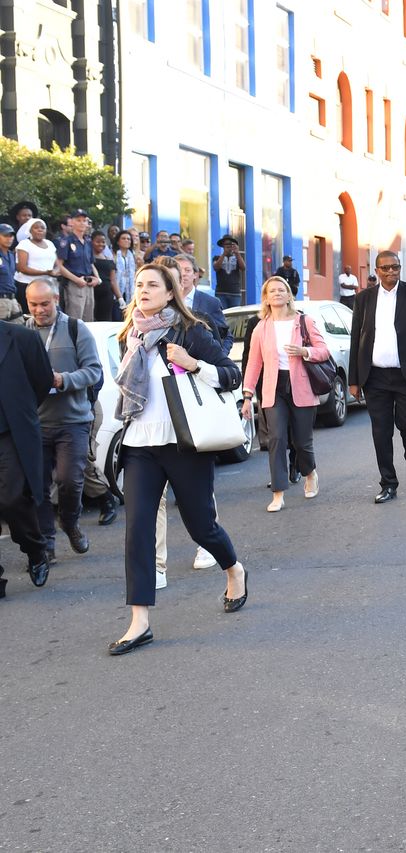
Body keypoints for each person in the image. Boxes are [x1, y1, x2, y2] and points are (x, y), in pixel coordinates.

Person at [108, 262, 248, 655]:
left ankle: (233, 569)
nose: (144, 290)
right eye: (139, 285)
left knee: (201, 526)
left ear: (170, 292)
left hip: (183, 444)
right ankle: (139, 622)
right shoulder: (129, 334)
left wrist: (194, 364)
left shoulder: (191, 331)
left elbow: (230, 376)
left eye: (153, 284)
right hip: (139, 445)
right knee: (137, 530)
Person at [347, 250, 406, 504]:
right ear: (377, 271)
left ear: (400, 269)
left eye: (395, 267)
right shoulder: (364, 299)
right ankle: (388, 483)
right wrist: (354, 379)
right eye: (385, 268)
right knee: (381, 432)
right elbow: (357, 339)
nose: (390, 272)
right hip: (374, 377)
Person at [24, 278, 103, 561]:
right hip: (35, 424)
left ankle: (69, 523)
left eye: (45, 303)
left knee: (70, 481)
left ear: (56, 299)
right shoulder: (23, 332)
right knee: (38, 487)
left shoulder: (75, 328)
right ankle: (46, 543)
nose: (39, 310)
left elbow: (93, 371)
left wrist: (62, 380)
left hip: (73, 421)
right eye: (33, 304)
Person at [242, 276, 329, 511]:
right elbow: (253, 363)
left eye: (282, 290)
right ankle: (278, 493)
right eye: (272, 291)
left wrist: (304, 351)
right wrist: (248, 395)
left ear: (289, 295)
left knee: (302, 442)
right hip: (273, 388)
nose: (277, 294)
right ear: (266, 298)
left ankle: (309, 472)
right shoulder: (261, 327)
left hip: (300, 385)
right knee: (276, 439)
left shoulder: (304, 321)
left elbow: (323, 351)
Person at [0, 319, 54, 597]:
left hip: (11, 431)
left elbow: (42, 381)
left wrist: (20, 408)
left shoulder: (21, 338)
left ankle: (35, 549)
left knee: (12, 498)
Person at [56, 209, 99, 322]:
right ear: (72, 222)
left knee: (89, 318)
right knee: (75, 319)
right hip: (74, 284)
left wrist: (97, 278)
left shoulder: (88, 241)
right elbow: (59, 266)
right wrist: (76, 280)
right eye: (78, 220)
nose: (82, 223)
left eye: (84, 220)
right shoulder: (66, 241)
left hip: (88, 283)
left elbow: (91, 263)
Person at [16, 219, 62, 316]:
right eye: (36, 227)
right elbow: (22, 268)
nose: (40, 230)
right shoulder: (24, 244)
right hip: (27, 285)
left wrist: (56, 271)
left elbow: (57, 264)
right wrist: (45, 272)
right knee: (31, 315)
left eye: (42, 228)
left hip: (48, 286)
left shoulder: (50, 244)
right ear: (30, 231)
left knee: (52, 314)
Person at [91, 230, 121, 321]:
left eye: (103, 242)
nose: (101, 244)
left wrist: (120, 297)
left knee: (106, 320)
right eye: (98, 241)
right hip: (92, 293)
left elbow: (113, 281)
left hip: (106, 295)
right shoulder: (88, 258)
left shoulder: (109, 259)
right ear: (91, 242)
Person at [212, 235, 246, 309]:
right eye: (226, 245)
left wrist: (237, 253)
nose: (228, 247)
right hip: (221, 292)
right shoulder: (217, 258)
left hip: (235, 293)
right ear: (223, 246)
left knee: (234, 317)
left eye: (230, 245)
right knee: (222, 314)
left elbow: (243, 267)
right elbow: (216, 268)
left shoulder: (238, 258)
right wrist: (224, 254)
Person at [113, 230, 138, 311]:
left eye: (128, 239)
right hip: (116, 288)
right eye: (123, 238)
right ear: (118, 241)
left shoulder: (132, 255)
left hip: (130, 288)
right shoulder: (114, 254)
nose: (127, 240)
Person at [0, 223, 19, 321]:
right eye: (5, 235)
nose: (9, 238)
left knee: (20, 330)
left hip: (12, 299)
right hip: (1, 300)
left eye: (11, 236)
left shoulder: (11, 255)